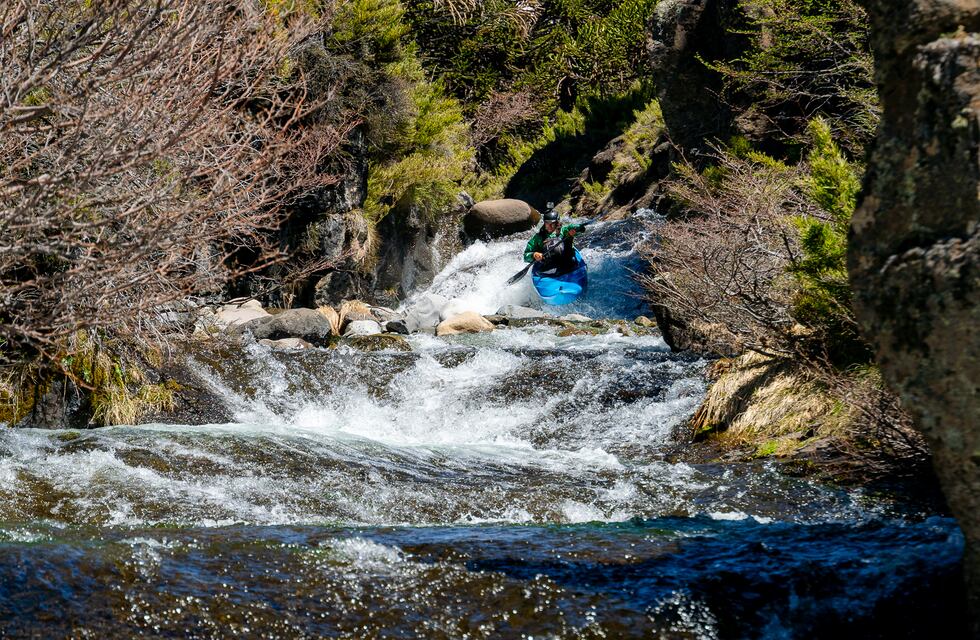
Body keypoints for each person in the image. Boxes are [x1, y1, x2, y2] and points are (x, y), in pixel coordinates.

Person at [523, 211, 585, 275]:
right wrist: (534, 254)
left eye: (552, 224)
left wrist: (576, 229)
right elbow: (525, 256)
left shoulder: (564, 231)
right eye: (547, 223)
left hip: (568, 263)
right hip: (548, 267)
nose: (549, 226)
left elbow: (578, 228)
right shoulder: (538, 237)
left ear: (557, 223)